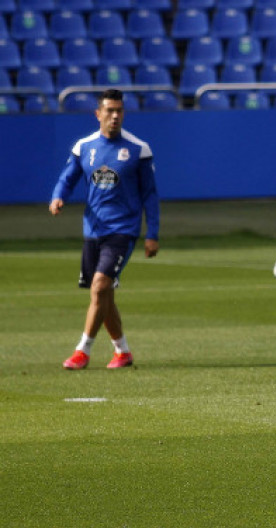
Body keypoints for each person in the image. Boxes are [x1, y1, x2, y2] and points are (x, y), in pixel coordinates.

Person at [49, 89, 160, 370]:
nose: (115, 116)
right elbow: (68, 177)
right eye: (109, 110)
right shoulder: (84, 147)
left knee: (99, 287)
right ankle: (122, 352)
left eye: (119, 111)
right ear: (97, 114)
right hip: (93, 229)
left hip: (123, 229)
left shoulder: (138, 149)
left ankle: (82, 351)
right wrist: (58, 195)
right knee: (103, 293)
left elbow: (150, 194)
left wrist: (152, 233)